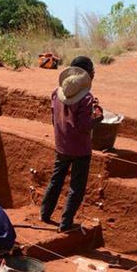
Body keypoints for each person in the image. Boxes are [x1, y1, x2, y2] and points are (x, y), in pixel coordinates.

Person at [41, 56, 100, 232]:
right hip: (80, 148)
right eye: (92, 71)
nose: (94, 74)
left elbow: (54, 119)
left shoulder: (56, 93)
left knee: (56, 179)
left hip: (62, 145)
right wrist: (98, 116)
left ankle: (45, 214)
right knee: (76, 186)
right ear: (86, 74)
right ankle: (65, 224)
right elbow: (84, 127)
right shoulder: (87, 99)